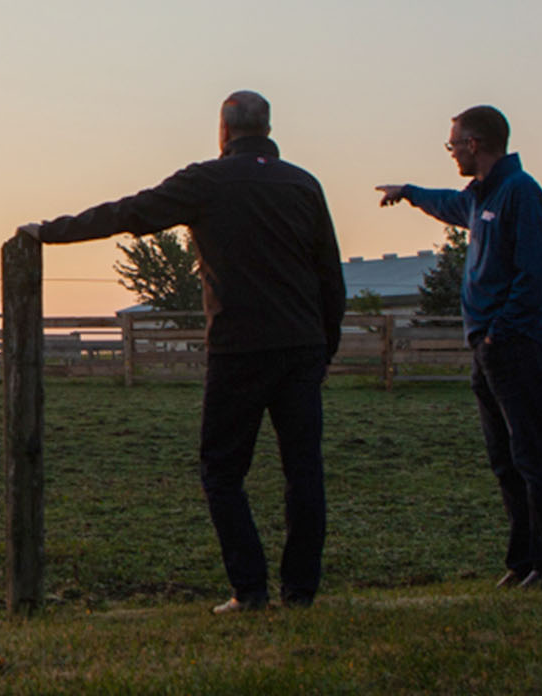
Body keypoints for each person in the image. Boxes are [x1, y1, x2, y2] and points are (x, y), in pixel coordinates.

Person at [18, 90, 345, 613]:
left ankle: (251, 589)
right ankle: (301, 591)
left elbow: (130, 212)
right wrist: (324, 346)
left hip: (239, 347)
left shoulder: (207, 182)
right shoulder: (303, 184)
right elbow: (331, 273)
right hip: (301, 346)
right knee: (303, 470)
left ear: (224, 130)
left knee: (222, 471)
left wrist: (50, 232)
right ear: (268, 127)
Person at [375, 105, 542, 589]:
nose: (452, 153)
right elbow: (450, 204)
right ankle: (522, 560)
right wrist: (410, 194)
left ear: (475, 144)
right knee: (504, 459)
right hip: (490, 349)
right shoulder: (483, 195)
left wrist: (498, 331)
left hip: (516, 345)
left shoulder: (519, 193)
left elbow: (533, 274)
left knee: (534, 456)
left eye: (454, 144)